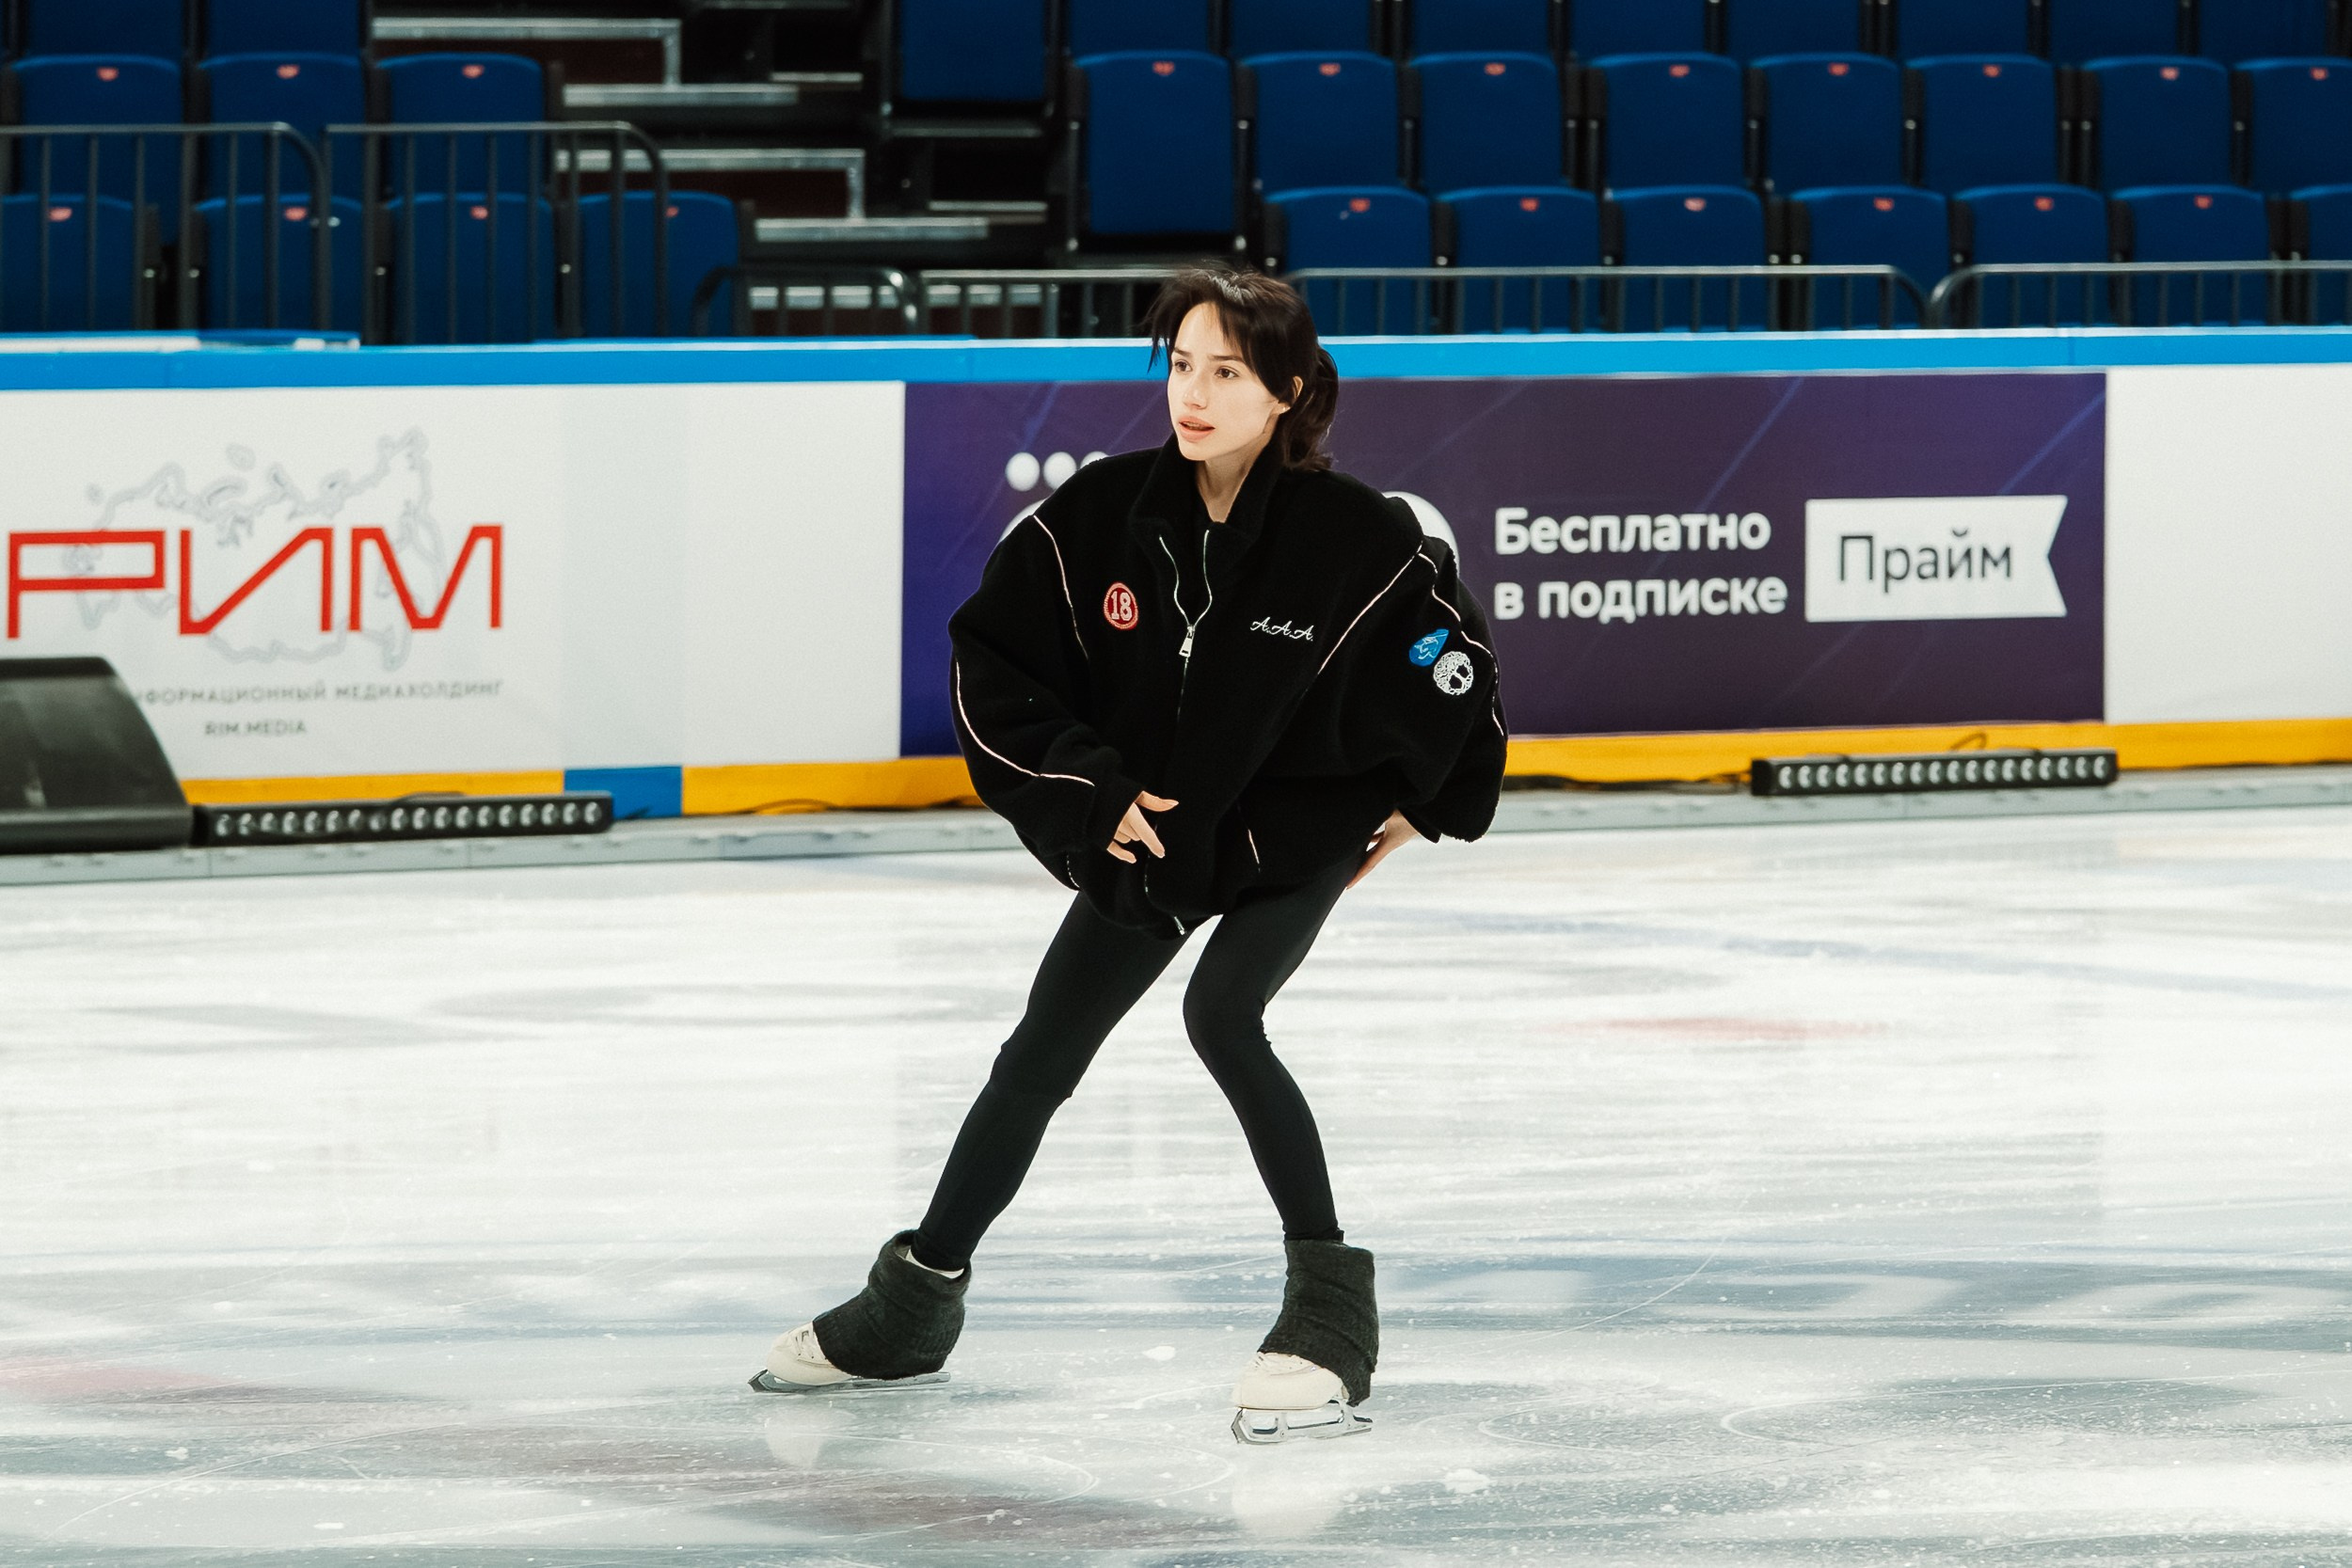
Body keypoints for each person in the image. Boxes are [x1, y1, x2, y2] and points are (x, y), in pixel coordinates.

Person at [753, 267, 1506, 1443]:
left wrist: (1436, 797)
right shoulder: (1097, 515)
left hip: (1293, 830)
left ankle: (1328, 1312)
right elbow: (988, 664)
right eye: (1181, 367)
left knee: (1224, 1013)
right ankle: (911, 1307)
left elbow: (1455, 670)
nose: (1193, 396)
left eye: (1227, 373)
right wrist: (1093, 790)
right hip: (1155, 827)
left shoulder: (1356, 534)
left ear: (1289, 391)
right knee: (1037, 1053)